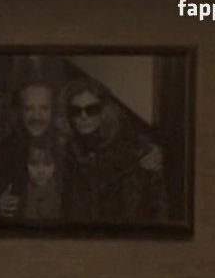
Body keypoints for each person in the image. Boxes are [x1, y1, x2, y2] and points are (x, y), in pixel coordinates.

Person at [59, 77, 167, 222]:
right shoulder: (68, 153)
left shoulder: (133, 149)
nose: (83, 116)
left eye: (91, 109)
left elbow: (157, 207)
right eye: (76, 111)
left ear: (104, 111)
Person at [0, 81, 61, 220]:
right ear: (20, 112)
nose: (36, 116)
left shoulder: (65, 149)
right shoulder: (3, 151)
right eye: (29, 109)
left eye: (43, 108)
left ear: (52, 111)